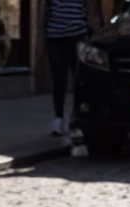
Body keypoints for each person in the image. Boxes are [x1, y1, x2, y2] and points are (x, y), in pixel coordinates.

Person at [44, 0, 90, 135]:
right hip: (55, 36)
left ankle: (76, 116)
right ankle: (58, 118)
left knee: (79, 79)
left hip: (77, 34)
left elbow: (91, 9)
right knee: (58, 78)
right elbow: (45, 9)